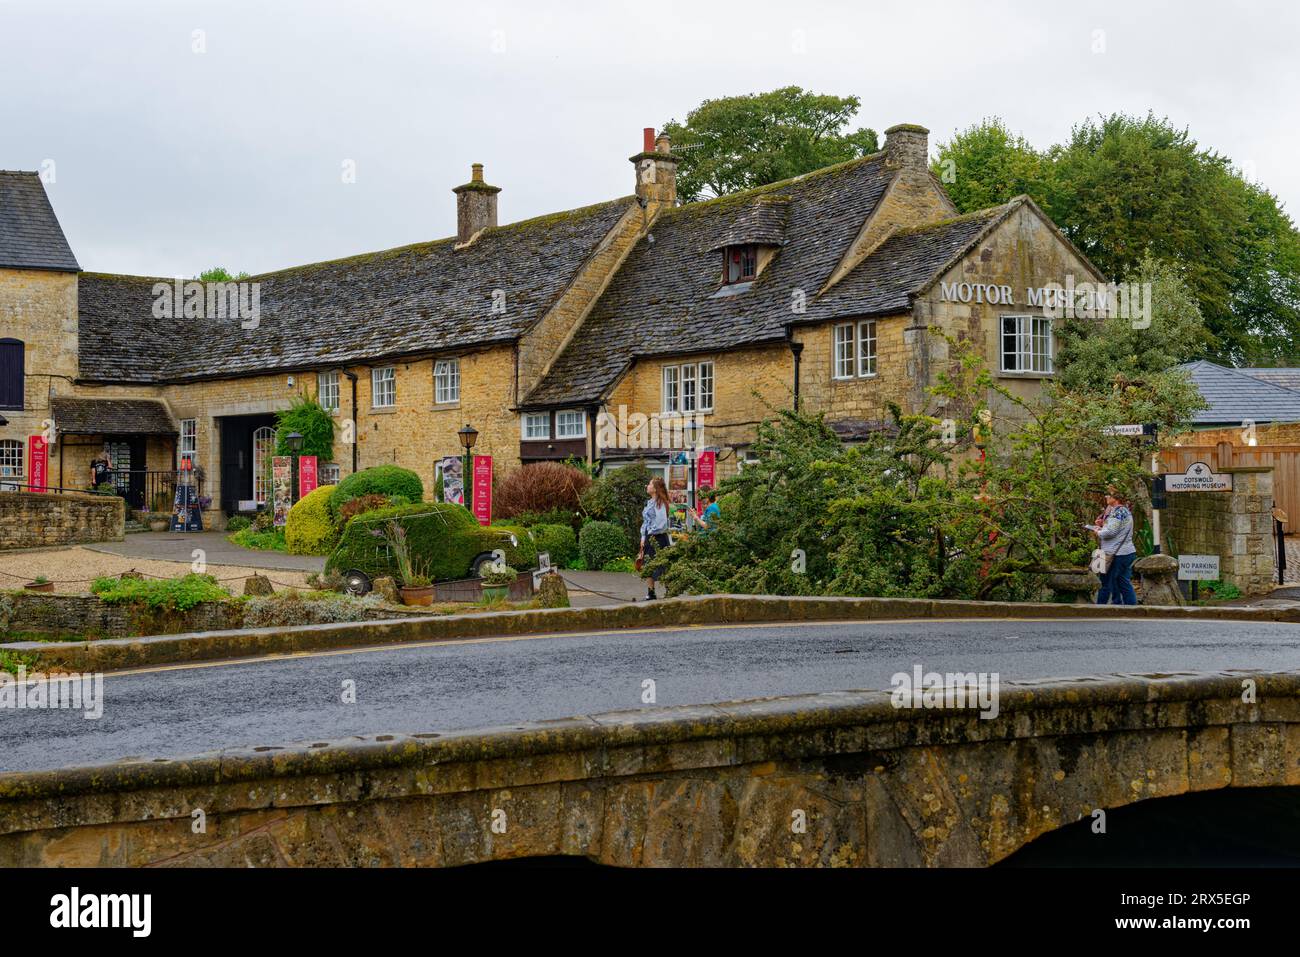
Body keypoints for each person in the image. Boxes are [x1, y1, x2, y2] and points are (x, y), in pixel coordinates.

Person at [1091, 487, 1137, 605]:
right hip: (1124, 552)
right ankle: (1131, 608)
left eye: (1109, 496)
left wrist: (1098, 532)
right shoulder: (1123, 511)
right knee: (1122, 581)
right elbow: (1116, 529)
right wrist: (1103, 525)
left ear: (1116, 499)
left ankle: (1100, 608)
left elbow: (1111, 532)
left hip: (1116, 553)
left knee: (1106, 583)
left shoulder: (1118, 512)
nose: (1106, 497)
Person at [637, 476, 672, 600]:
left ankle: (670, 590)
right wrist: (643, 536)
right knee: (648, 564)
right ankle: (651, 593)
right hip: (649, 537)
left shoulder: (660, 503)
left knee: (663, 564)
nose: (647, 486)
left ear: (655, 489)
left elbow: (662, 523)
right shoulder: (650, 502)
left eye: (650, 484)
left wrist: (650, 532)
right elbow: (646, 522)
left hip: (659, 538)